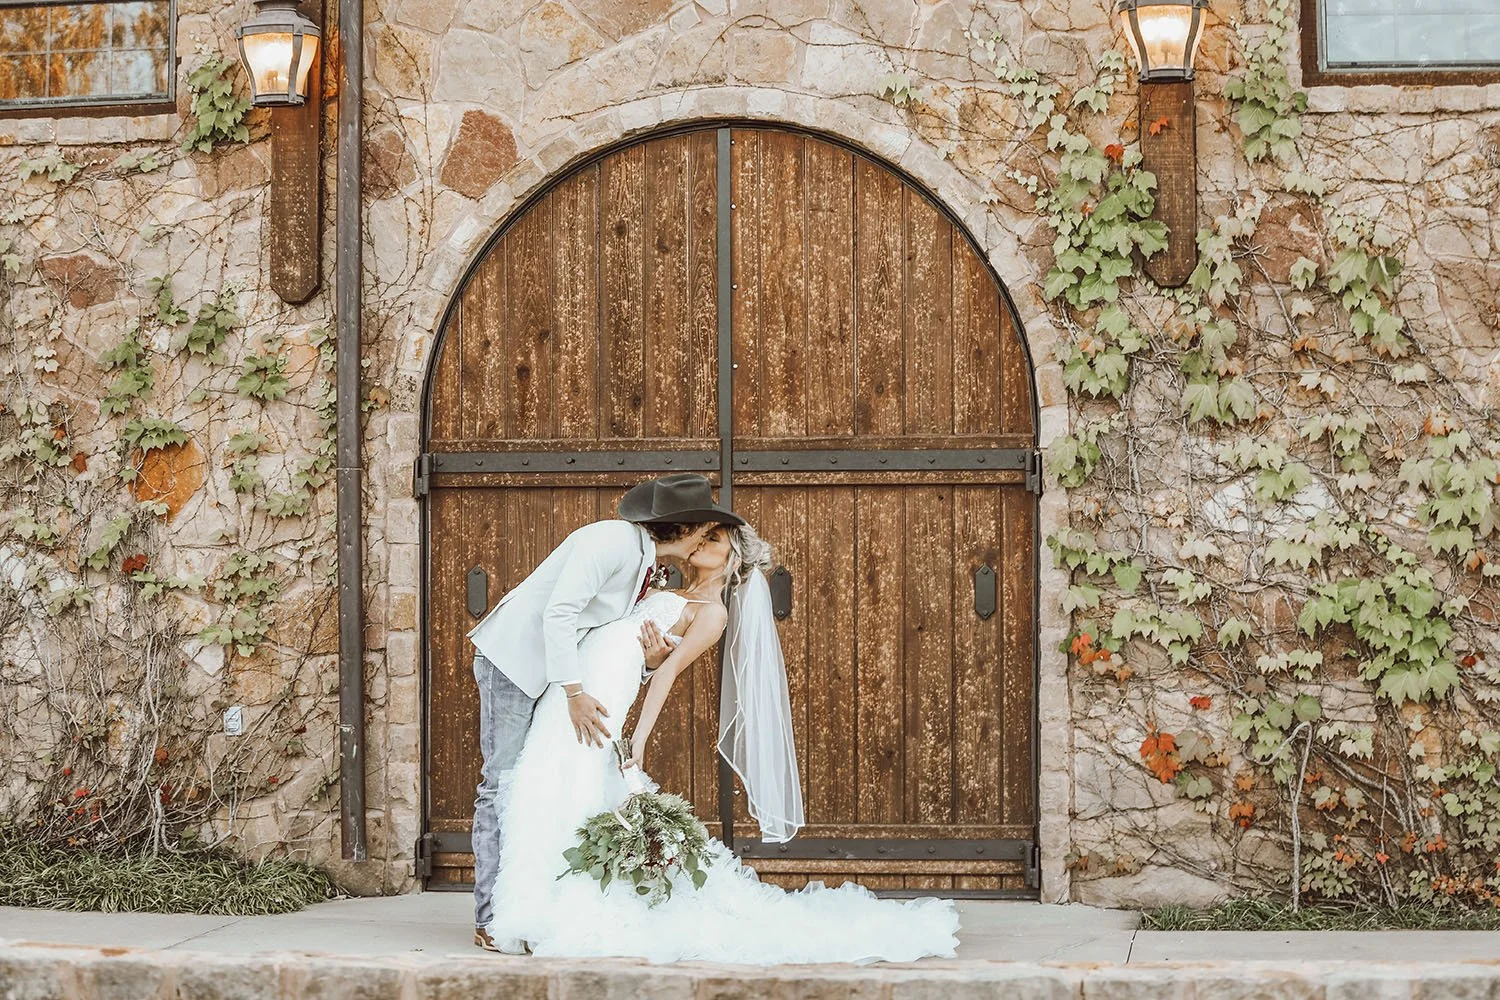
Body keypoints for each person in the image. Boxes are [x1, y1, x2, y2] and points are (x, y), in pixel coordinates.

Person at [487, 525, 960, 964]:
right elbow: (627, 645)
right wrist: (644, 658)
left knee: (568, 790)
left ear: (734, 558)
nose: (700, 542)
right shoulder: (658, 588)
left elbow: (666, 675)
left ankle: (550, 906)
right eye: (704, 535)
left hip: (601, 707)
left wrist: (639, 739)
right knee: (540, 790)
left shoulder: (711, 614)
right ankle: (528, 904)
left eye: (714, 538)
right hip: (569, 697)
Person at [467, 473, 744, 953]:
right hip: (518, 664)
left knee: (541, 784)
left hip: (562, 682)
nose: (705, 538)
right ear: (684, 528)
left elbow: (611, 639)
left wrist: (646, 662)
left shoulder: (649, 567)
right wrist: (575, 691)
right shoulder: (612, 542)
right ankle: (491, 918)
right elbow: (559, 613)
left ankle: (530, 906)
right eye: (704, 528)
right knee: (503, 783)